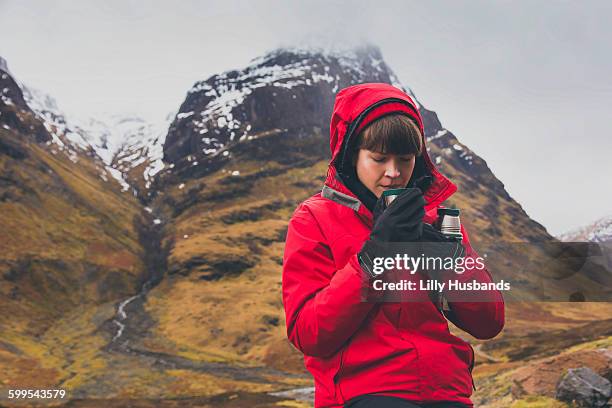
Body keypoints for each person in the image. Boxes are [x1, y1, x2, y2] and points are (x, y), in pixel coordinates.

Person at [282, 83, 505, 408]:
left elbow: (488, 323)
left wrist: (449, 263)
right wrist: (374, 256)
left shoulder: (440, 220)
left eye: (405, 159)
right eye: (379, 158)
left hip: (446, 392)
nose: (393, 172)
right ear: (351, 154)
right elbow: (309, 333)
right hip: (363, 393)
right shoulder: (313, 218)